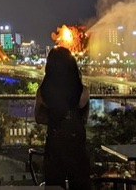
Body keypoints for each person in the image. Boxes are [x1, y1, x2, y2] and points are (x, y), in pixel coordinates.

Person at [39, 46, 91, 190]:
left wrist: (56, 119)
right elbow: (84, 119)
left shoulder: (44, 92)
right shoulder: (83, 91)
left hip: (54, 144)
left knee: (54, 185)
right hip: (77, 145)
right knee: (80, 184)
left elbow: (38, 117)